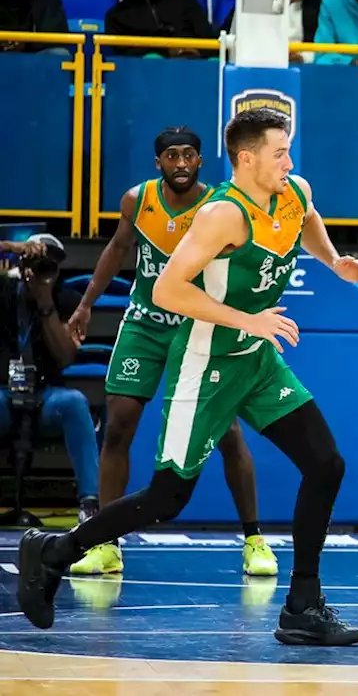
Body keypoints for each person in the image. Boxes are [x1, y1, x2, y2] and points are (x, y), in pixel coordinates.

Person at [16, 108, 358, 647]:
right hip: (204, 361)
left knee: (326, 463)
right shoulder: (222, 216)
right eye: (279, 152)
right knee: (167, 497)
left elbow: (307, 220)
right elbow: (167, 291)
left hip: (255, 360)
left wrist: (334, 260)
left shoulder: (292, 189)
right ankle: (54, 552)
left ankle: (303, 606)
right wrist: (248, 318)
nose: (289, 161)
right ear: (246, 159)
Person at [63, 128, 275, 578]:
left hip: (197, 326)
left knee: (228, 432)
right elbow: (117, 250)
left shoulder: (221, 205)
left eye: (189, 156)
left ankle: (255, 539)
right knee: (118, 425)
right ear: (158, 163)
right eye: (172, 156)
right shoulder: (137, 201)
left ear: (200, 161)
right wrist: (85, 305)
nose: (181, 163)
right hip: (145, 323)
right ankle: (105, 542)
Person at [0, 233, 99, 520]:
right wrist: (10, 247)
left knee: (76, 403)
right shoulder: (5, 290)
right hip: (4, 393)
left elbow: (66, 356)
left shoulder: (67, 300)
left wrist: (46, 304)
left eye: (49, 265)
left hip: (46, 395)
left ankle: (90, 504)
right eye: (36, 262)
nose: (43, 271)